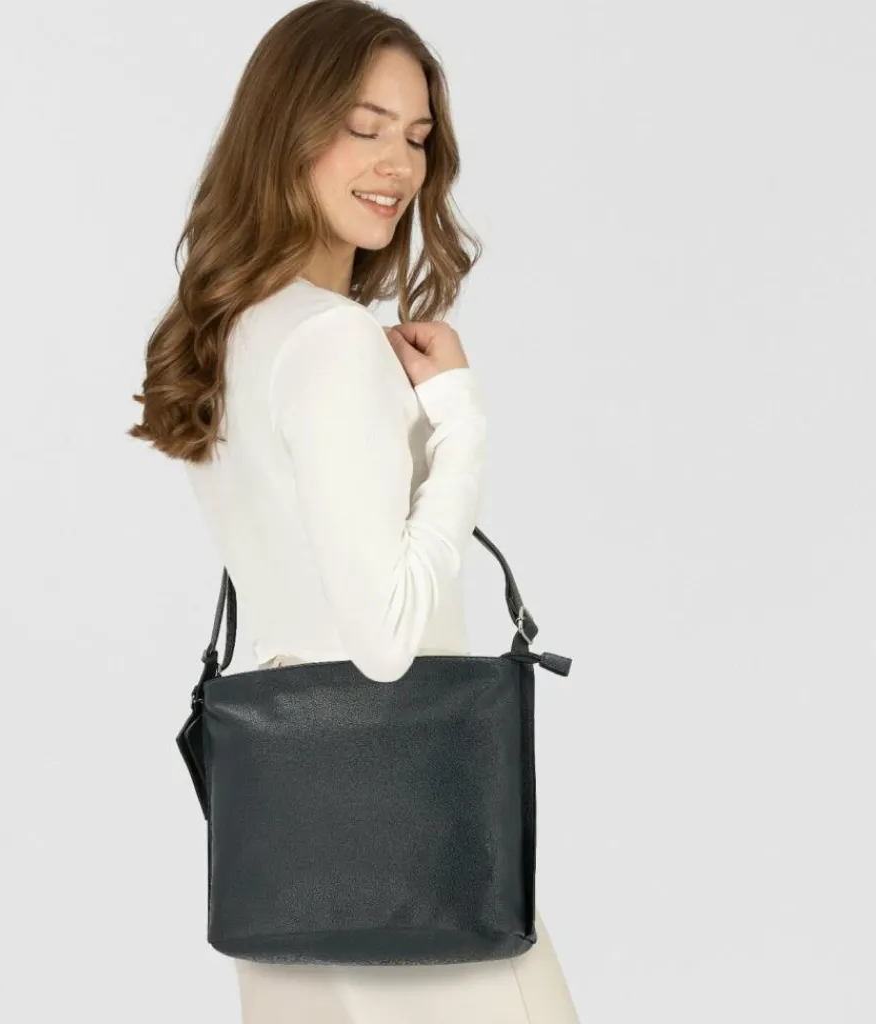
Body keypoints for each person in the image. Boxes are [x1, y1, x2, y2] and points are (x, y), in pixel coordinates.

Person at [129, 1, 581, 1020]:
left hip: (288, 847)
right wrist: (458, 423)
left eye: (416, 137)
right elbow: (385, 643)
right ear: (284, 130)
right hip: (420, 840)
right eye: (362, 127)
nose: (397, 164)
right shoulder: (330, 342)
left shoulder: (228, 333)